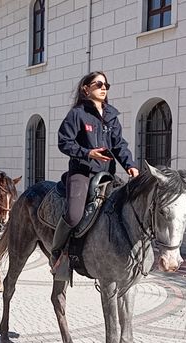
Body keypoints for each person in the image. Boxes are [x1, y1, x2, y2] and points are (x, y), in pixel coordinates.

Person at [51, 71, 140, 276]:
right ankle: (58, 252)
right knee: (74, 216)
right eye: (98, 84)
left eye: (106, 85)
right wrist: (87, 153)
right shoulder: (77, 114)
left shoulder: (111, 115)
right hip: (82, 172)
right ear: (86, 88)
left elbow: (119, 145)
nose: (103, 88)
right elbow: (64, 142)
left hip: (107, 174)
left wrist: (130, 165)